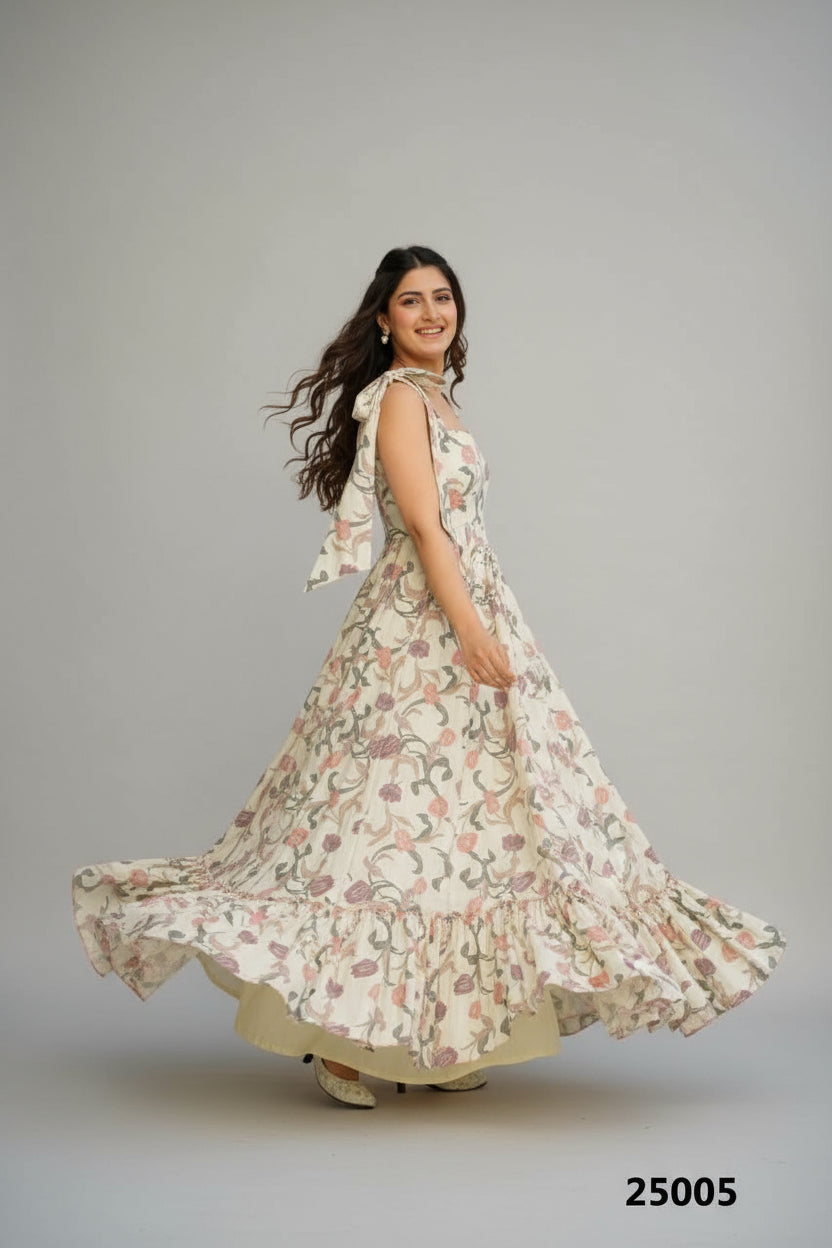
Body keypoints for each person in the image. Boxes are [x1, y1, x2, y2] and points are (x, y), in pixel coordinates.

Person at [71, 244, 787, 1110]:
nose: (430, 313)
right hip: (423, 629)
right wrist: (474, 633)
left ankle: (438, 1043)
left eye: (442, 298)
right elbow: (423, 527)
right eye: (410, 301)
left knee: (466, 837)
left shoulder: (441, 401)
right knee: (379, 833)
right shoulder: (402, 398)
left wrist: (489, 624)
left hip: (468, 609)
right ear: (383, 319)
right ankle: (340, 1044)